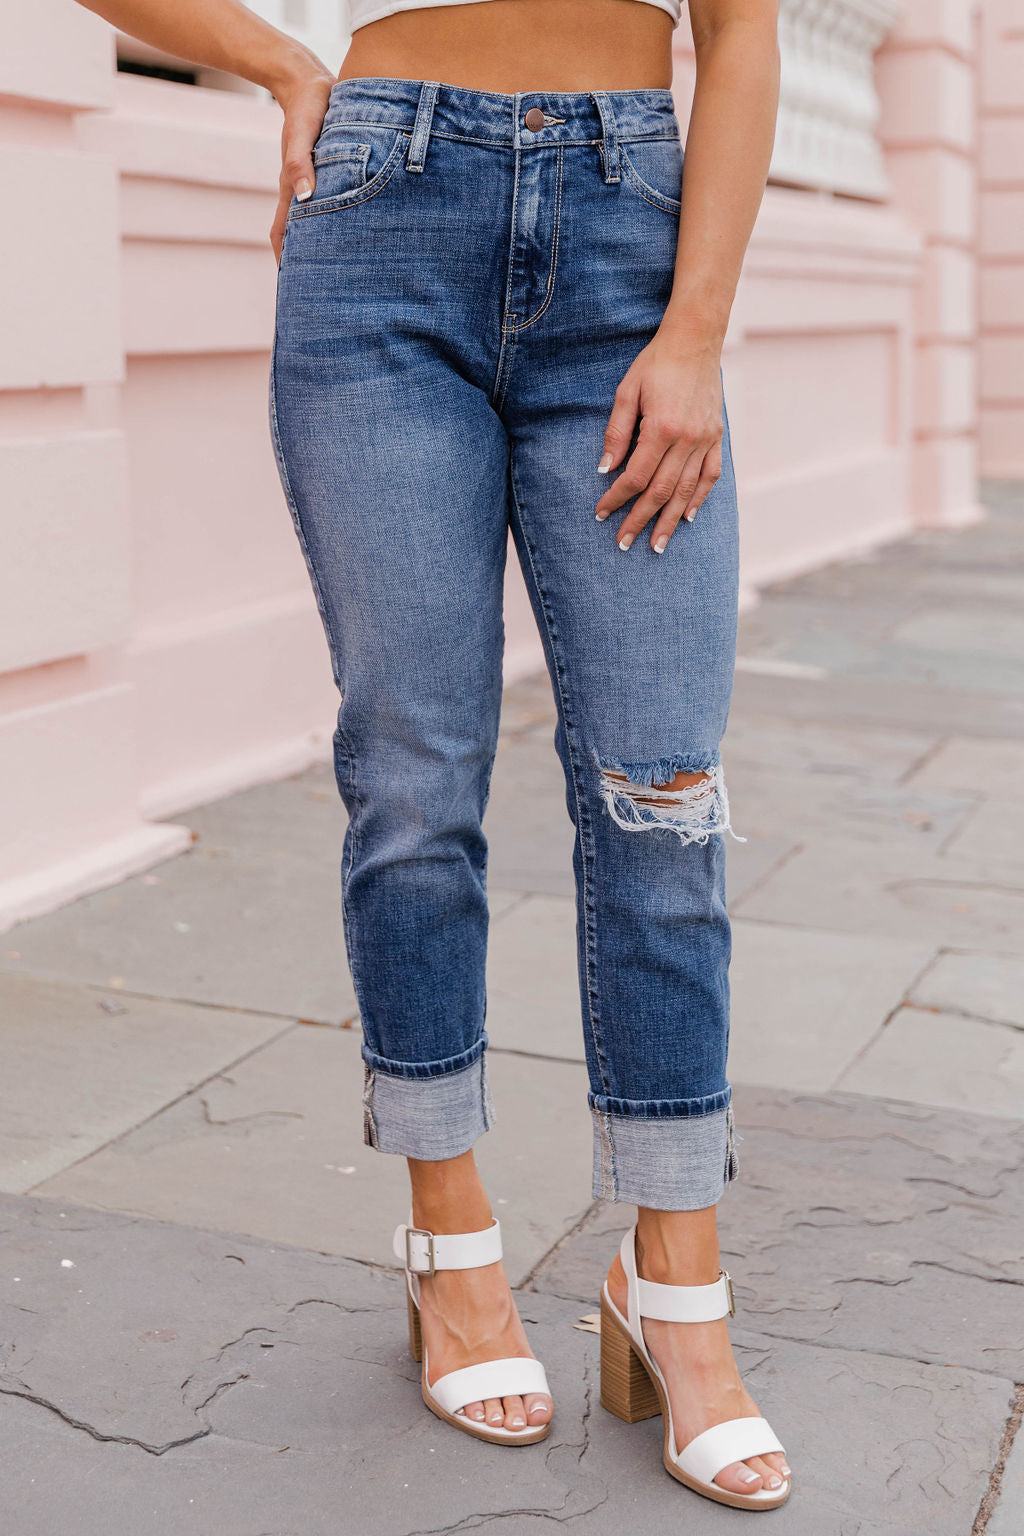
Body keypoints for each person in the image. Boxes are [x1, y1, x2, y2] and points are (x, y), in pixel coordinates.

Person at [77, 0, 789, 1509]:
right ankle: (450, 1247)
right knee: (413, 776)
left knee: (661, 793)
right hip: (381, 233)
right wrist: (281, 63)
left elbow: (740, 34)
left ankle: (675, 1281)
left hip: (629, 235)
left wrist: (696, 333)